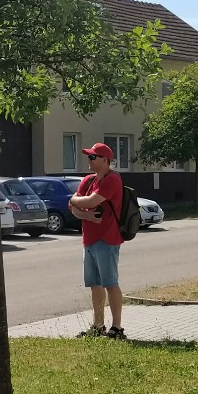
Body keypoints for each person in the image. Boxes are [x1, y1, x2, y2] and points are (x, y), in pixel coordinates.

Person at [68, 142, 126, 340]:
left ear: (105, 160)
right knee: (95, 284)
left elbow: (89, 201)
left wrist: (75, 201)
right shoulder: (88, 180)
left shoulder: (112, 180)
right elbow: (73, 207)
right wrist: (84, 214)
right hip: (89, 239)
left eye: (93, 157)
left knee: (110, 283)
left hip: (107, 239)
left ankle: (117, 328)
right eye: (89, 156)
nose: (89, 160)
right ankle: (98, 325)